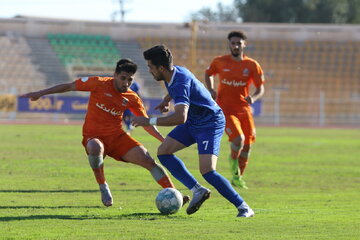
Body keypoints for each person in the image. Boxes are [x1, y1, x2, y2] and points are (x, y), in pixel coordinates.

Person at [21, 58, 189, 208]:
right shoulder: (98, 83)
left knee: (148, 160)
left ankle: (175, 195)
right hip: (93, 136)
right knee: (95, 147)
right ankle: (103, 186)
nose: (126, 83)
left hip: (117, 138)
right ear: (115, 75)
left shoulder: (132, 97)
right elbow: (69, 86)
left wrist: (162, 139)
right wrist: (41, 93)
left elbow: (146, 123)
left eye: (130, 80)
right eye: (123, 78)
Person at [132, 45, 254, 217]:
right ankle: (197, 190)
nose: (150, 71)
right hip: (193, 122)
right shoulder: (173, 73)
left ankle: (244, 207)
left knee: (208, 171)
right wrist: (167, 99)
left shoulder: (179, 81)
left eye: (151, 67)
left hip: (210, 123)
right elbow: (178, 90)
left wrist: (148, 120)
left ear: (161, 68)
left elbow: (180, 117)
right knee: (164, 152)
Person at [205, 30, 265, 189]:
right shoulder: (220, 61)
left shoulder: (252, 65)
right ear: (229, 44)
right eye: (233, 43)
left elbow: (260, 89)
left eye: (239, 43)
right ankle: (233, 164)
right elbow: (209, 73)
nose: (236, 46)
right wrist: (210, 89)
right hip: (225, 109)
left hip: (244, 109)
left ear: (244, 44)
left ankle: (238, 177)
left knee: (248, 145)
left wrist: (253, 97)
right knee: (239, 139)